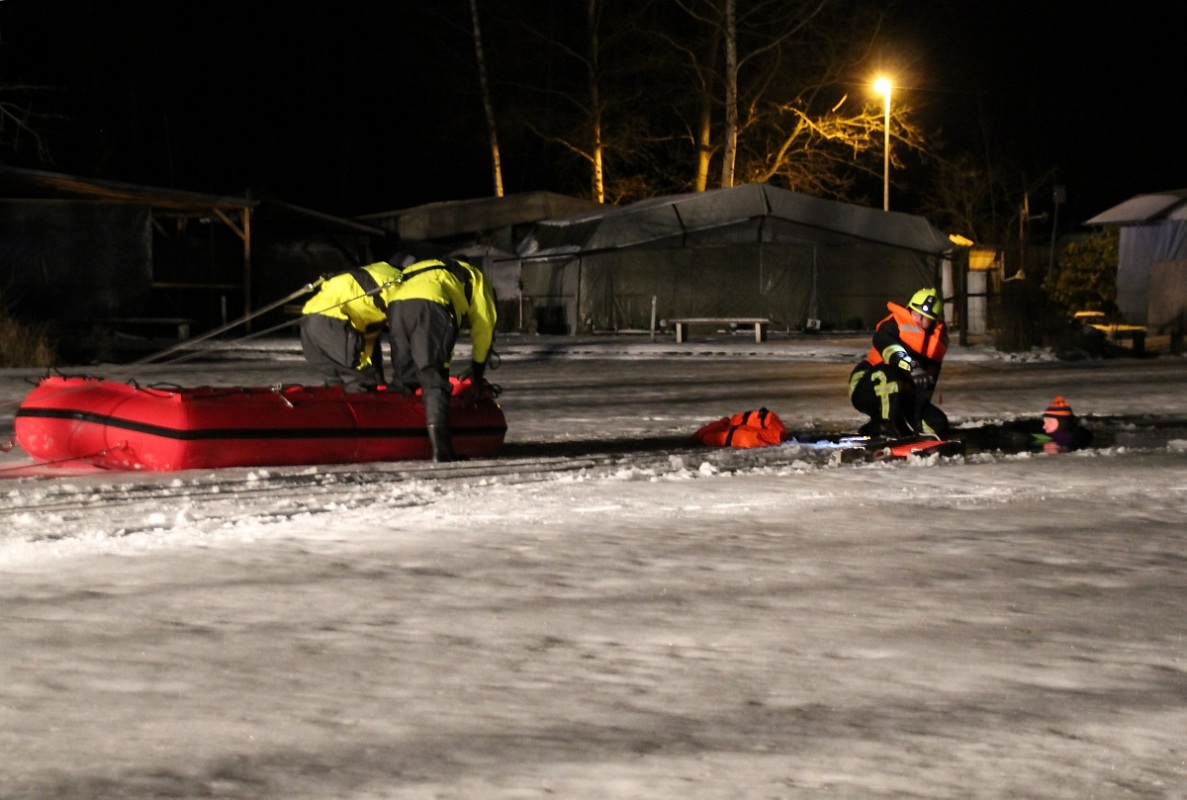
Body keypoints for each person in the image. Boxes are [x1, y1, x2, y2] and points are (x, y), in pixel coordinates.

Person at [386, 256, 497, 462]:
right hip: (433, 305)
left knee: (404, 377)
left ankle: (394, 442)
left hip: (396, 306)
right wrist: (478, 366)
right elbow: (485, 325)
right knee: (433, 377)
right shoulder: (474, 275)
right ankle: (442, 451)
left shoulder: (421, 266)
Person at [849, 287, 949, 438]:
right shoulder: (893, 324)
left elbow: (929, 381)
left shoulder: (938, 342)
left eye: (926, 317)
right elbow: (891, 351)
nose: (920, 320)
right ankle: (886, 424)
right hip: (867, 385)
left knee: (939, 423)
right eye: (917, 314)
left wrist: (918, 412)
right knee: (889, 375)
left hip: (902, 394)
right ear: (910, 309)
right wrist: (913, 366)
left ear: (935, 320)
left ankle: (883, 426)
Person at [299, 260, 403, 391]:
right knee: (362, 382)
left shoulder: (382, 270)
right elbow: (405, 333)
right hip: (336, 321)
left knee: (336, 379)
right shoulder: (404, 285)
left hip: (311, 315)